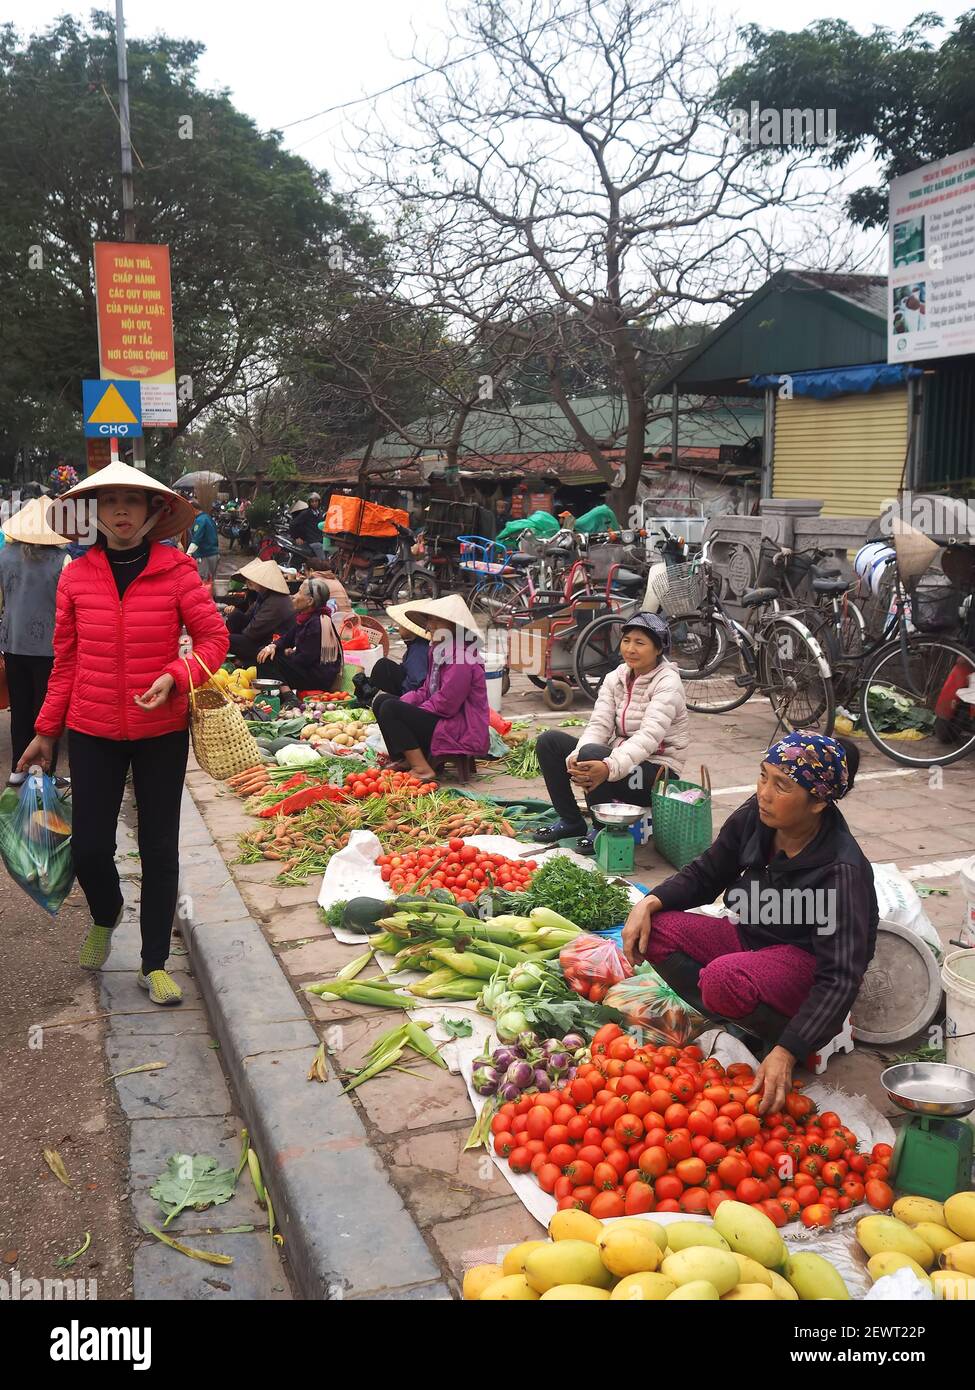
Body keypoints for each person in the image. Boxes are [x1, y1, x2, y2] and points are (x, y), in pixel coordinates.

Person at [19, 461, 229, 1006]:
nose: (120, 511)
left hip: (160, 731)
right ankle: (106, 912)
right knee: (90, 847)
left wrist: (176, 676)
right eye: (109, 501)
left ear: (151, 511)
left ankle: (154, 961)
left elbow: (214, 640)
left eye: (131, 502)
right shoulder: (76, 574)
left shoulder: (178, 571)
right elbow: (64, 659)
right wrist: (46, 730)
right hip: (91, 730)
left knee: (160, 848)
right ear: (94, 512)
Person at [622, 731, 878, 1114]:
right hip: (750, 940)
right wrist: (651, 902)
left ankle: (781, 1038)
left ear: (818, 802)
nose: (764, 793)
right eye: (763, 776)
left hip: (802, 965)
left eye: (783, 785)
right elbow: (708, 873)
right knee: (655, 930)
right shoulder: (757, 818)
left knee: (723, 978)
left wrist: (790, 1050)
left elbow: (840, 977)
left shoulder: (841, 872)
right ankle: (737, 1016)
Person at [536, 612, 689, 852]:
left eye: (640, 643)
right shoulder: (615, 677)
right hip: (619, 760)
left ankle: (602, 828)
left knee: (592, 753)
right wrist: (575, 758)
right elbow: (599, 724)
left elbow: (648, 738)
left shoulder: (668, 683)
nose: (630, 648)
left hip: (657, 772)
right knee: (550, 742)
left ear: (658, 649)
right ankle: (571, 821)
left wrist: (608, 766)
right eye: (627, 640)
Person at [372, 595, 489, 780]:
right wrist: (406, 703)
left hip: (460, 726)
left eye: (436, 621)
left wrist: (411, 711)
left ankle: (421, 768)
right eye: (430, 620)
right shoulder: (439, 650)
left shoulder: (461, 657)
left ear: (453, 626)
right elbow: (427, 689)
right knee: (382, 702)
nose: (429, 625)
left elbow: (447, 704)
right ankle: (407, 758)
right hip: (442, 717)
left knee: (391, 709)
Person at [0, 498, 71, 782]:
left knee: (19, 708)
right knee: (46, 710)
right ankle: (43, 769)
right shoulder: (63, 560)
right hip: (50, 648)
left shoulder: (4, 555)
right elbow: (68, 607)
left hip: (13, 643)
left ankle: (18, 768)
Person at [256, 576, 344, 694]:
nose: (294, 596)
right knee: (266, 651)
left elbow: (303, 660)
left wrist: (286, 653)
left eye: (299, 592)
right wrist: (273, 646)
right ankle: (282, 694)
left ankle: (287, 696)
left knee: (267, 658)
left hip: (317, 678)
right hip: (306, 670)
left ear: (310, 601)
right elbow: (287, 639)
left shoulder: (316, 624)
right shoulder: (307, 618)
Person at [222, 559, 294, 666]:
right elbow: (247, 617)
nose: (247, 581)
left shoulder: (275, 601)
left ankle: (242, 660)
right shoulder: (264, 595)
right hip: (259, 635)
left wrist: (235, 637)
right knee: (235, 615)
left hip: (270, 644)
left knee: (227, 640)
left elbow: (252, 632)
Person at [186, 494, 220, 589]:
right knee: (210, 581)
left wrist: (188, 554)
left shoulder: (200, 521)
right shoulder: (207, 518)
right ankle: (211, 600)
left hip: (205, 555)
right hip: (214, 554)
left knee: (203, 582)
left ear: (193, 509)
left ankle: (205, 601)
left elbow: (196, 539)